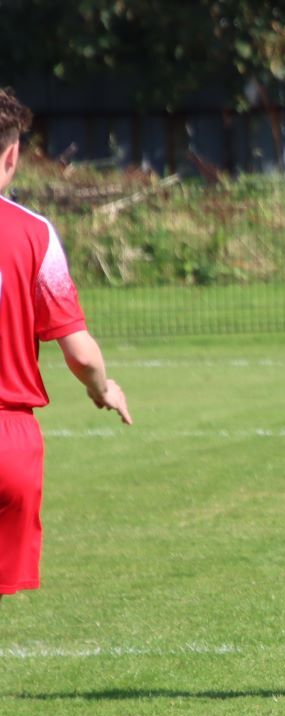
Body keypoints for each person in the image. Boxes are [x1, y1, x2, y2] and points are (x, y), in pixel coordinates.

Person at [0, 88, 132, 600]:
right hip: (10, 441)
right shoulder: (35, 234)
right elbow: (79, 353)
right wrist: (103, 390)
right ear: (12, 154)